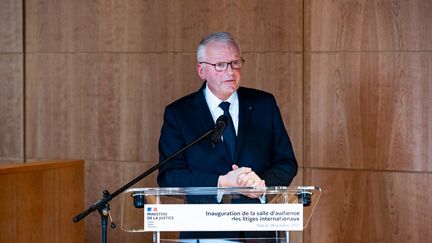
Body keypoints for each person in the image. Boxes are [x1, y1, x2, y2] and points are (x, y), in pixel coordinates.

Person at [157, 32, 298, 240]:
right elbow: (169, 176)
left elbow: (286, 162)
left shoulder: (263, 104)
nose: (230, 72)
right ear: (201, 70)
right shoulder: (180, 113)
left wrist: (261, 183)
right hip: (204, 232)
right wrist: (221, 182)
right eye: (221, 65)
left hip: (259, 231)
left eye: (235, 63)